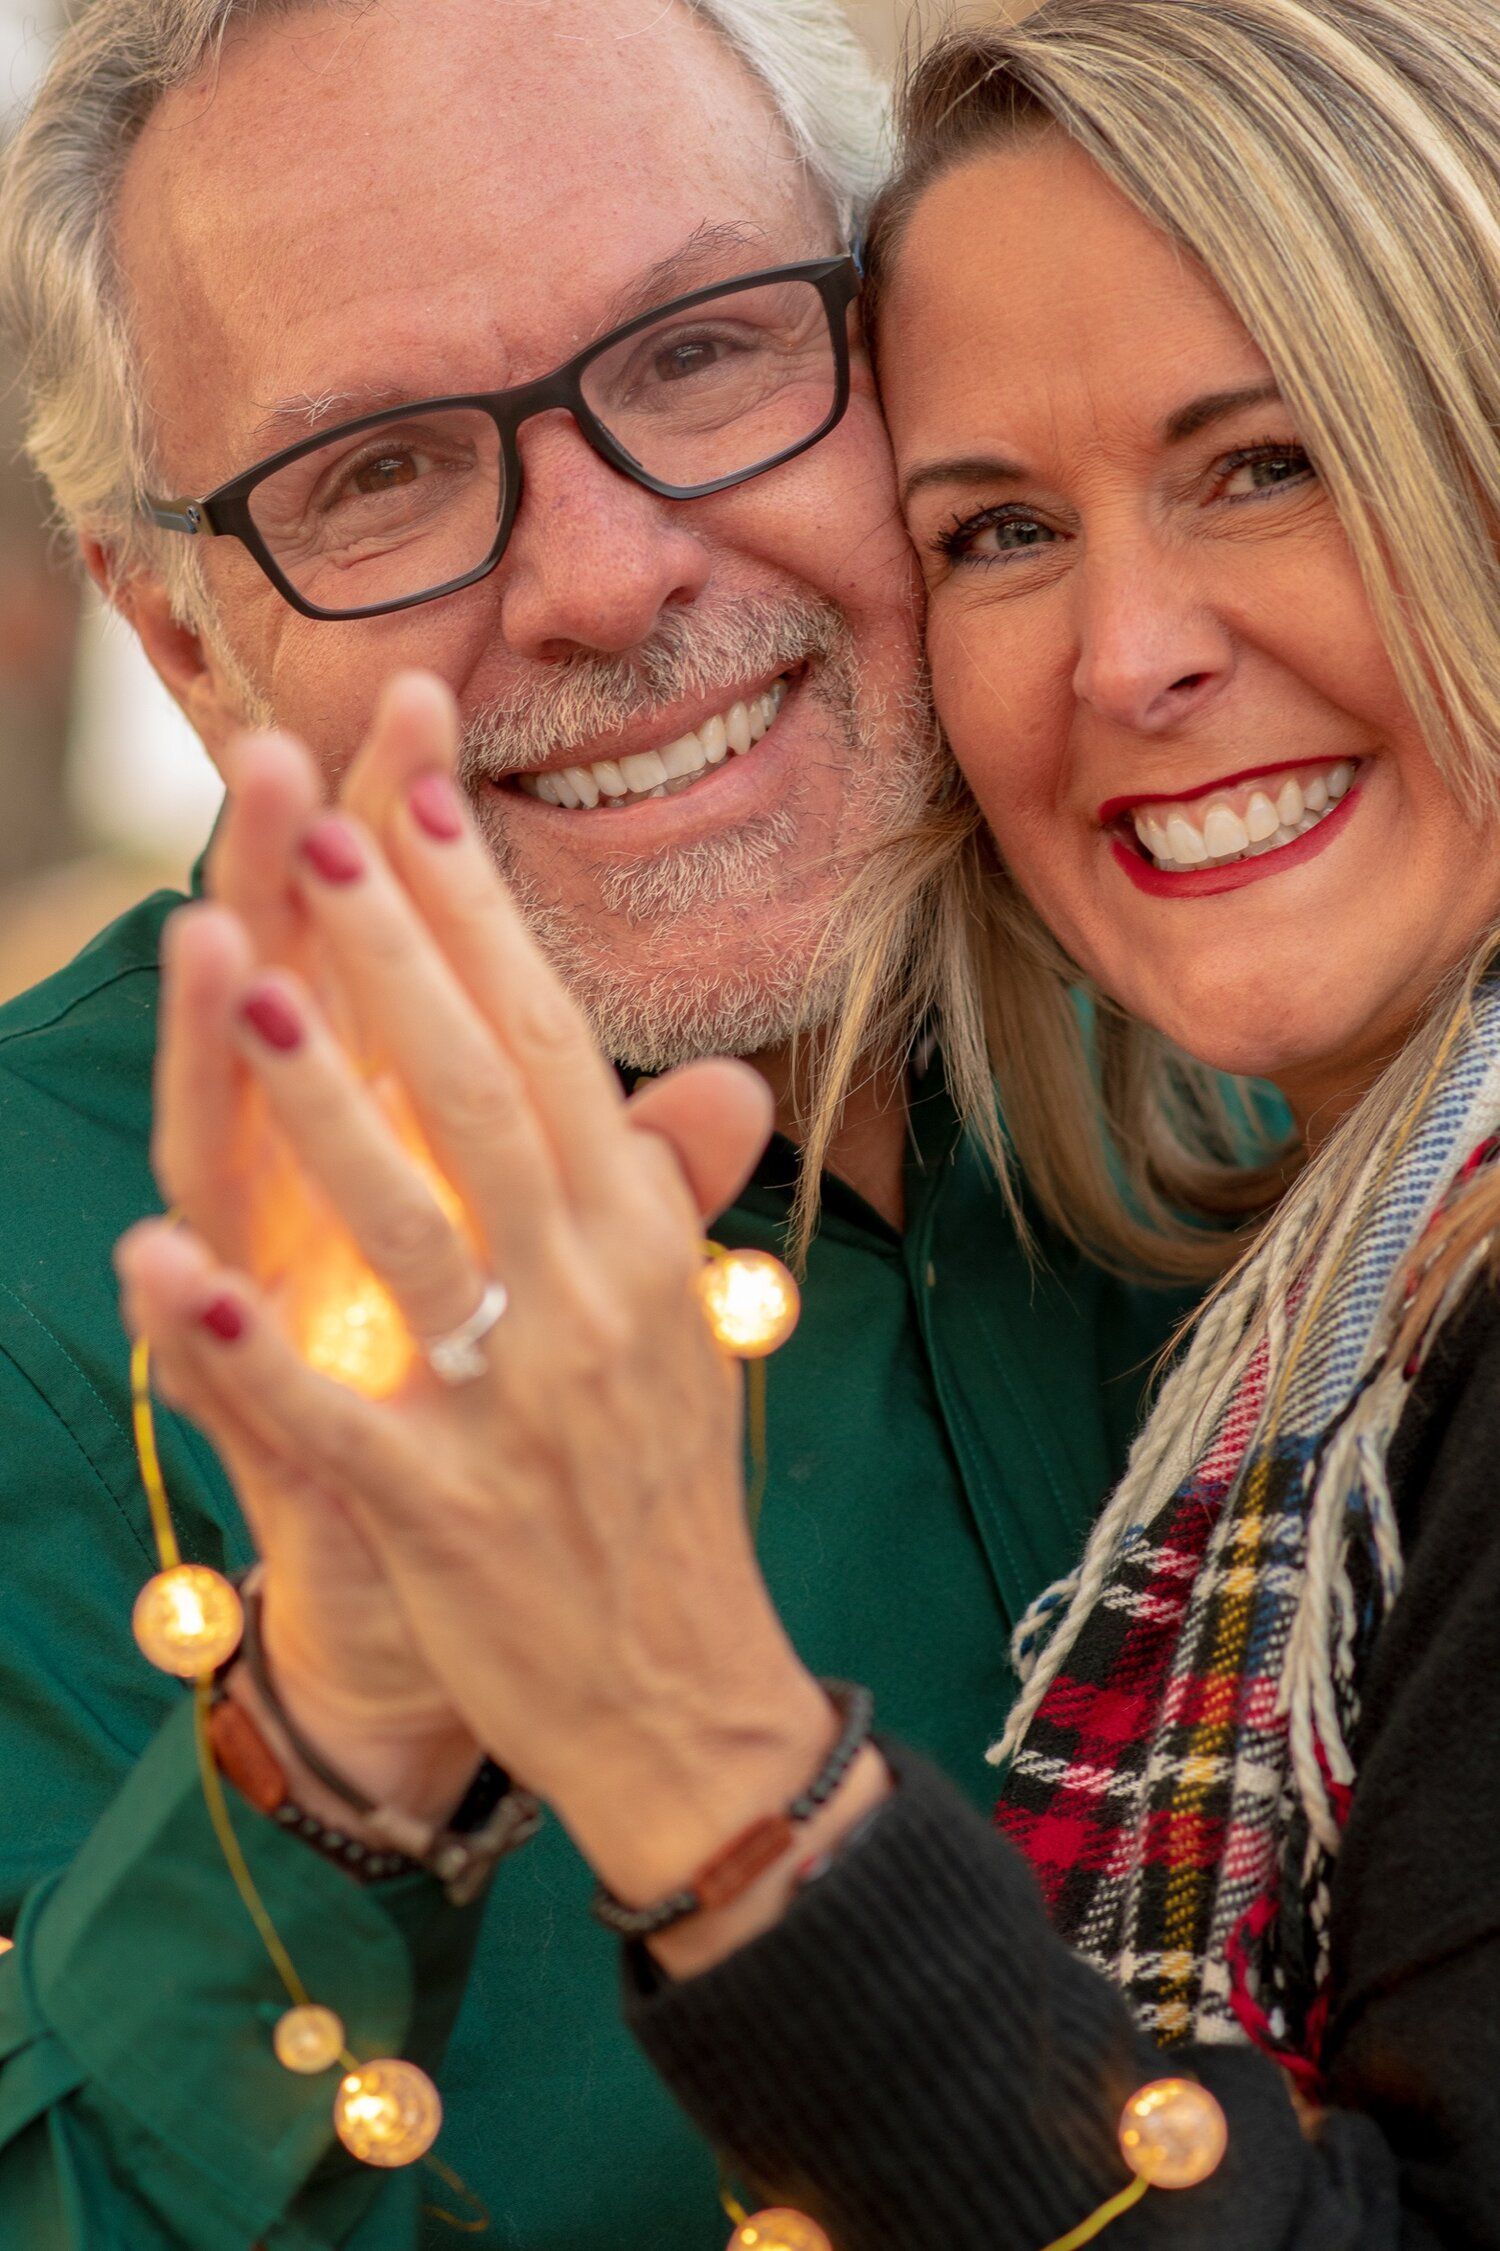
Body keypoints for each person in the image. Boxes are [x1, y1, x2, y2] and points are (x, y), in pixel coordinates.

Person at [123, 0, 1500, 2244]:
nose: (601, 575)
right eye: (1005, 526)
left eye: (696, 354)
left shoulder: (1250, 1105)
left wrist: (695, 1758)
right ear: (176, 637)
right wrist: (328, 1752)